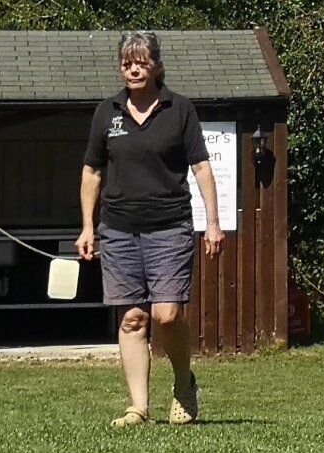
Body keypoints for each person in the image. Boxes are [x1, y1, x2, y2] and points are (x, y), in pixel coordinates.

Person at [76, 32, 224, 427]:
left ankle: (183, 382)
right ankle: (138, 407)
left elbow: (201, 167)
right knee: (132, 318)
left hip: (169, 228)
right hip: (119, 229)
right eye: (127, 63)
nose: (134, 68)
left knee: (167, 315)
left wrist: (212, 222)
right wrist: (88, 226)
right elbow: (92, 171)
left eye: (141, 61)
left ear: (156, 65)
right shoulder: (106, 113)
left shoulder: (180, 110)